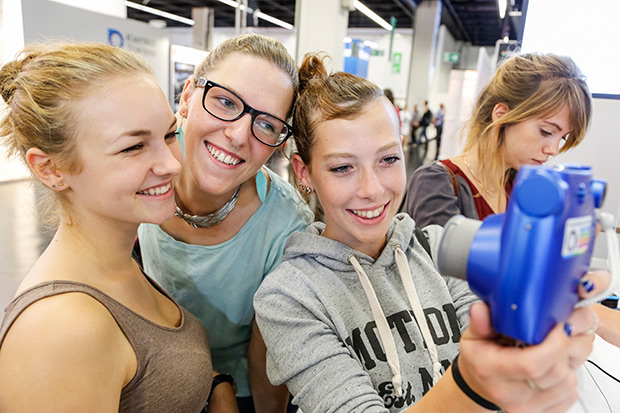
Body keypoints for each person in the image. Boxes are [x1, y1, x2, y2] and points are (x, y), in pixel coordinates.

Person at [253, 53, 605, 413]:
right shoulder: (287, 298)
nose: (372, 190)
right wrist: (475, 386)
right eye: (343, 167)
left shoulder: (438, 249)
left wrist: (537, 336)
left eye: (388, 159)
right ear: (304, 172)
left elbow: (500, 352)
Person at [0, 42, 220, 412]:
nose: (170, 164)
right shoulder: (61, 330)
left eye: (168, 135)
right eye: (133, 147)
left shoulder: (119, 262)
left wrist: (219, 388)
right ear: (50, 169)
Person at [137, 33, 314, 412]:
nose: (237, 135)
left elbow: (266, 360)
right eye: (225, 101)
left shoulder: (285, 228)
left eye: (266, 125)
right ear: (187, 97)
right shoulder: (143, 171)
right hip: (151, 371)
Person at [403, 52, 592, 227]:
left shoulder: (520, 188)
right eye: (546, 131)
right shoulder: (436, 183)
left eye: (563, 137)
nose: (553, 150)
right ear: (501, 115)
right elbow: (442, 261)